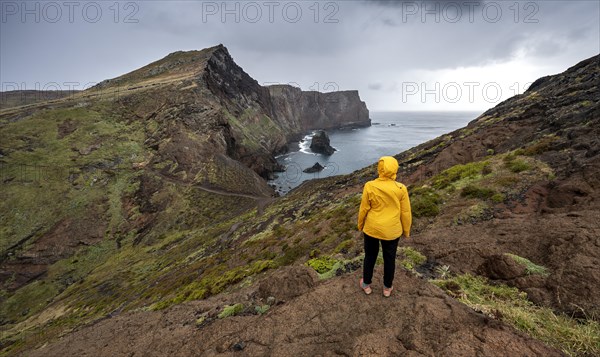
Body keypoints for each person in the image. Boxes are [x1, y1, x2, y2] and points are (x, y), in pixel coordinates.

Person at [357, 156, 412, 297]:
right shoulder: (401, 188)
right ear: (395, 169)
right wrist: (406, 231)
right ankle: (387, 288)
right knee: (389, 259)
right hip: (392, 231)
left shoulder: (369, 186)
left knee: (370, 256)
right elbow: (405, 212)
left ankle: (366, 285)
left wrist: (360, 225)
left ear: (380, 169)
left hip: (372, 228)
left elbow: (364, 209)